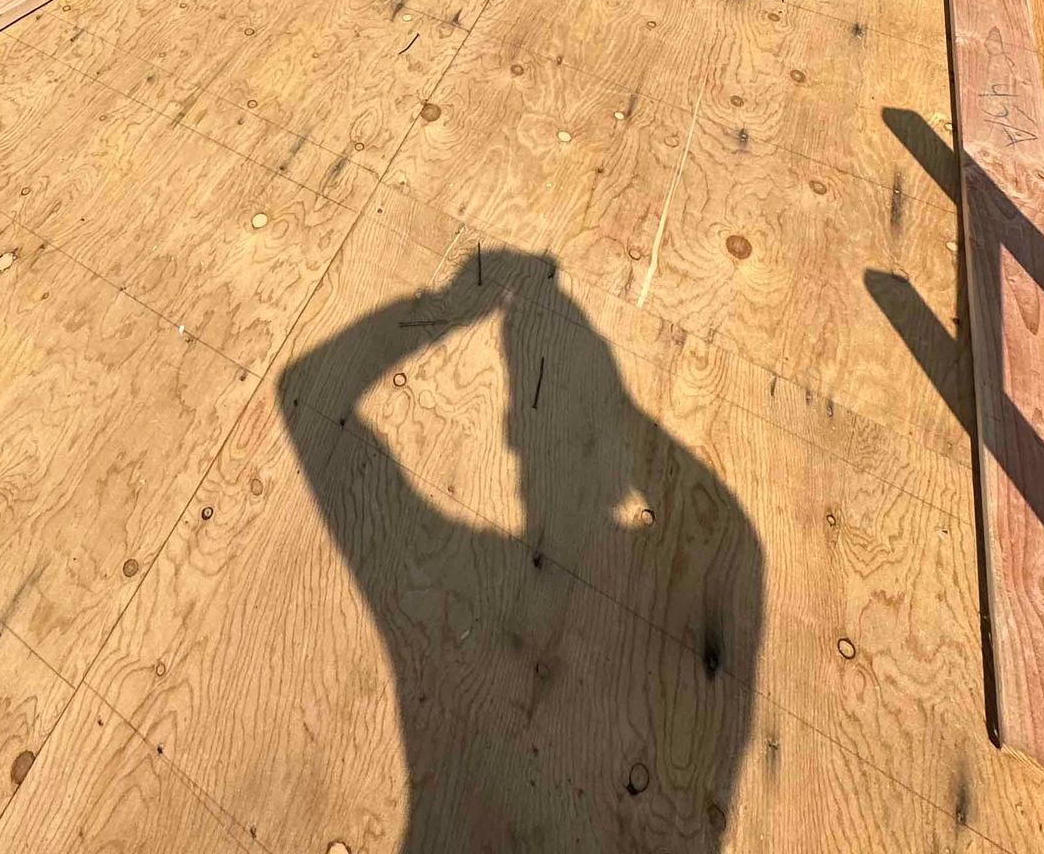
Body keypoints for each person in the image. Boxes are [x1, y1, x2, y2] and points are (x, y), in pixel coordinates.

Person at [279, 247, 760, 849]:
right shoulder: (669, 605)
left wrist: (449, 310)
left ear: (507, 431)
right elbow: (732, 534)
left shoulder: (450, 583)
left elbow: (306, 394)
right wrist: (621, 418)